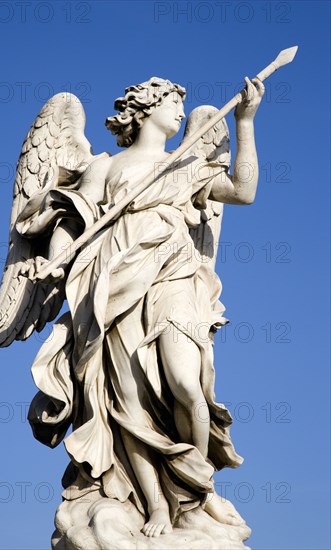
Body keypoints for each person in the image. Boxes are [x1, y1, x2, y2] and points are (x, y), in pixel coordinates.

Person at [18, 76, 265, 537]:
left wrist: (245, 122)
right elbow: (76, 220)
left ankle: (196, 490)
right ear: (145, 108)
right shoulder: (105, 167)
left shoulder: (187, 161)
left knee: (185, 384)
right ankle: (155, 504)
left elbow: (243, 191)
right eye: (174, 100)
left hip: (173, 274)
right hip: (113, 281)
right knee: (125, 402)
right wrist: (53, 265)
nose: (180, 108)